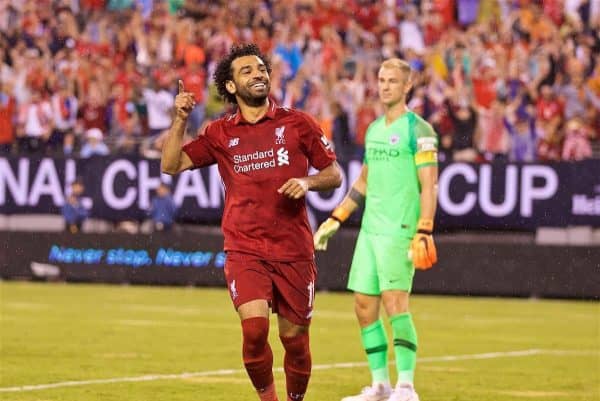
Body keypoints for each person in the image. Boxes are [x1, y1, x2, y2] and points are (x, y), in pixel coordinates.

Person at [161, 43, 342, 401]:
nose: (258, 74)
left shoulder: (297, 122)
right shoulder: (219, 133)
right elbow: (171, 165)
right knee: (255, 330)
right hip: (245, 248)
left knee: (295, 340)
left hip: (293, 249)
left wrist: (307, 182)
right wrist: (180, 119)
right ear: (230, 87)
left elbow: (333, 174)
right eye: (247, 71)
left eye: (261, 69)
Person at [314, 58, 439, 401]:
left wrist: (424, 229)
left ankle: (407, 387)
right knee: (363, 306)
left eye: (392, 81)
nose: (384, 86)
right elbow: (364, 182)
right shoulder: (372, 129)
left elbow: (429, 186)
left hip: (400, 228)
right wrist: (335, 219)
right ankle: (381, 386)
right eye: (381, 80)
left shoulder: (420, 130)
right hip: (370, 231)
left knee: (395, 304)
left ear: (407, 86)